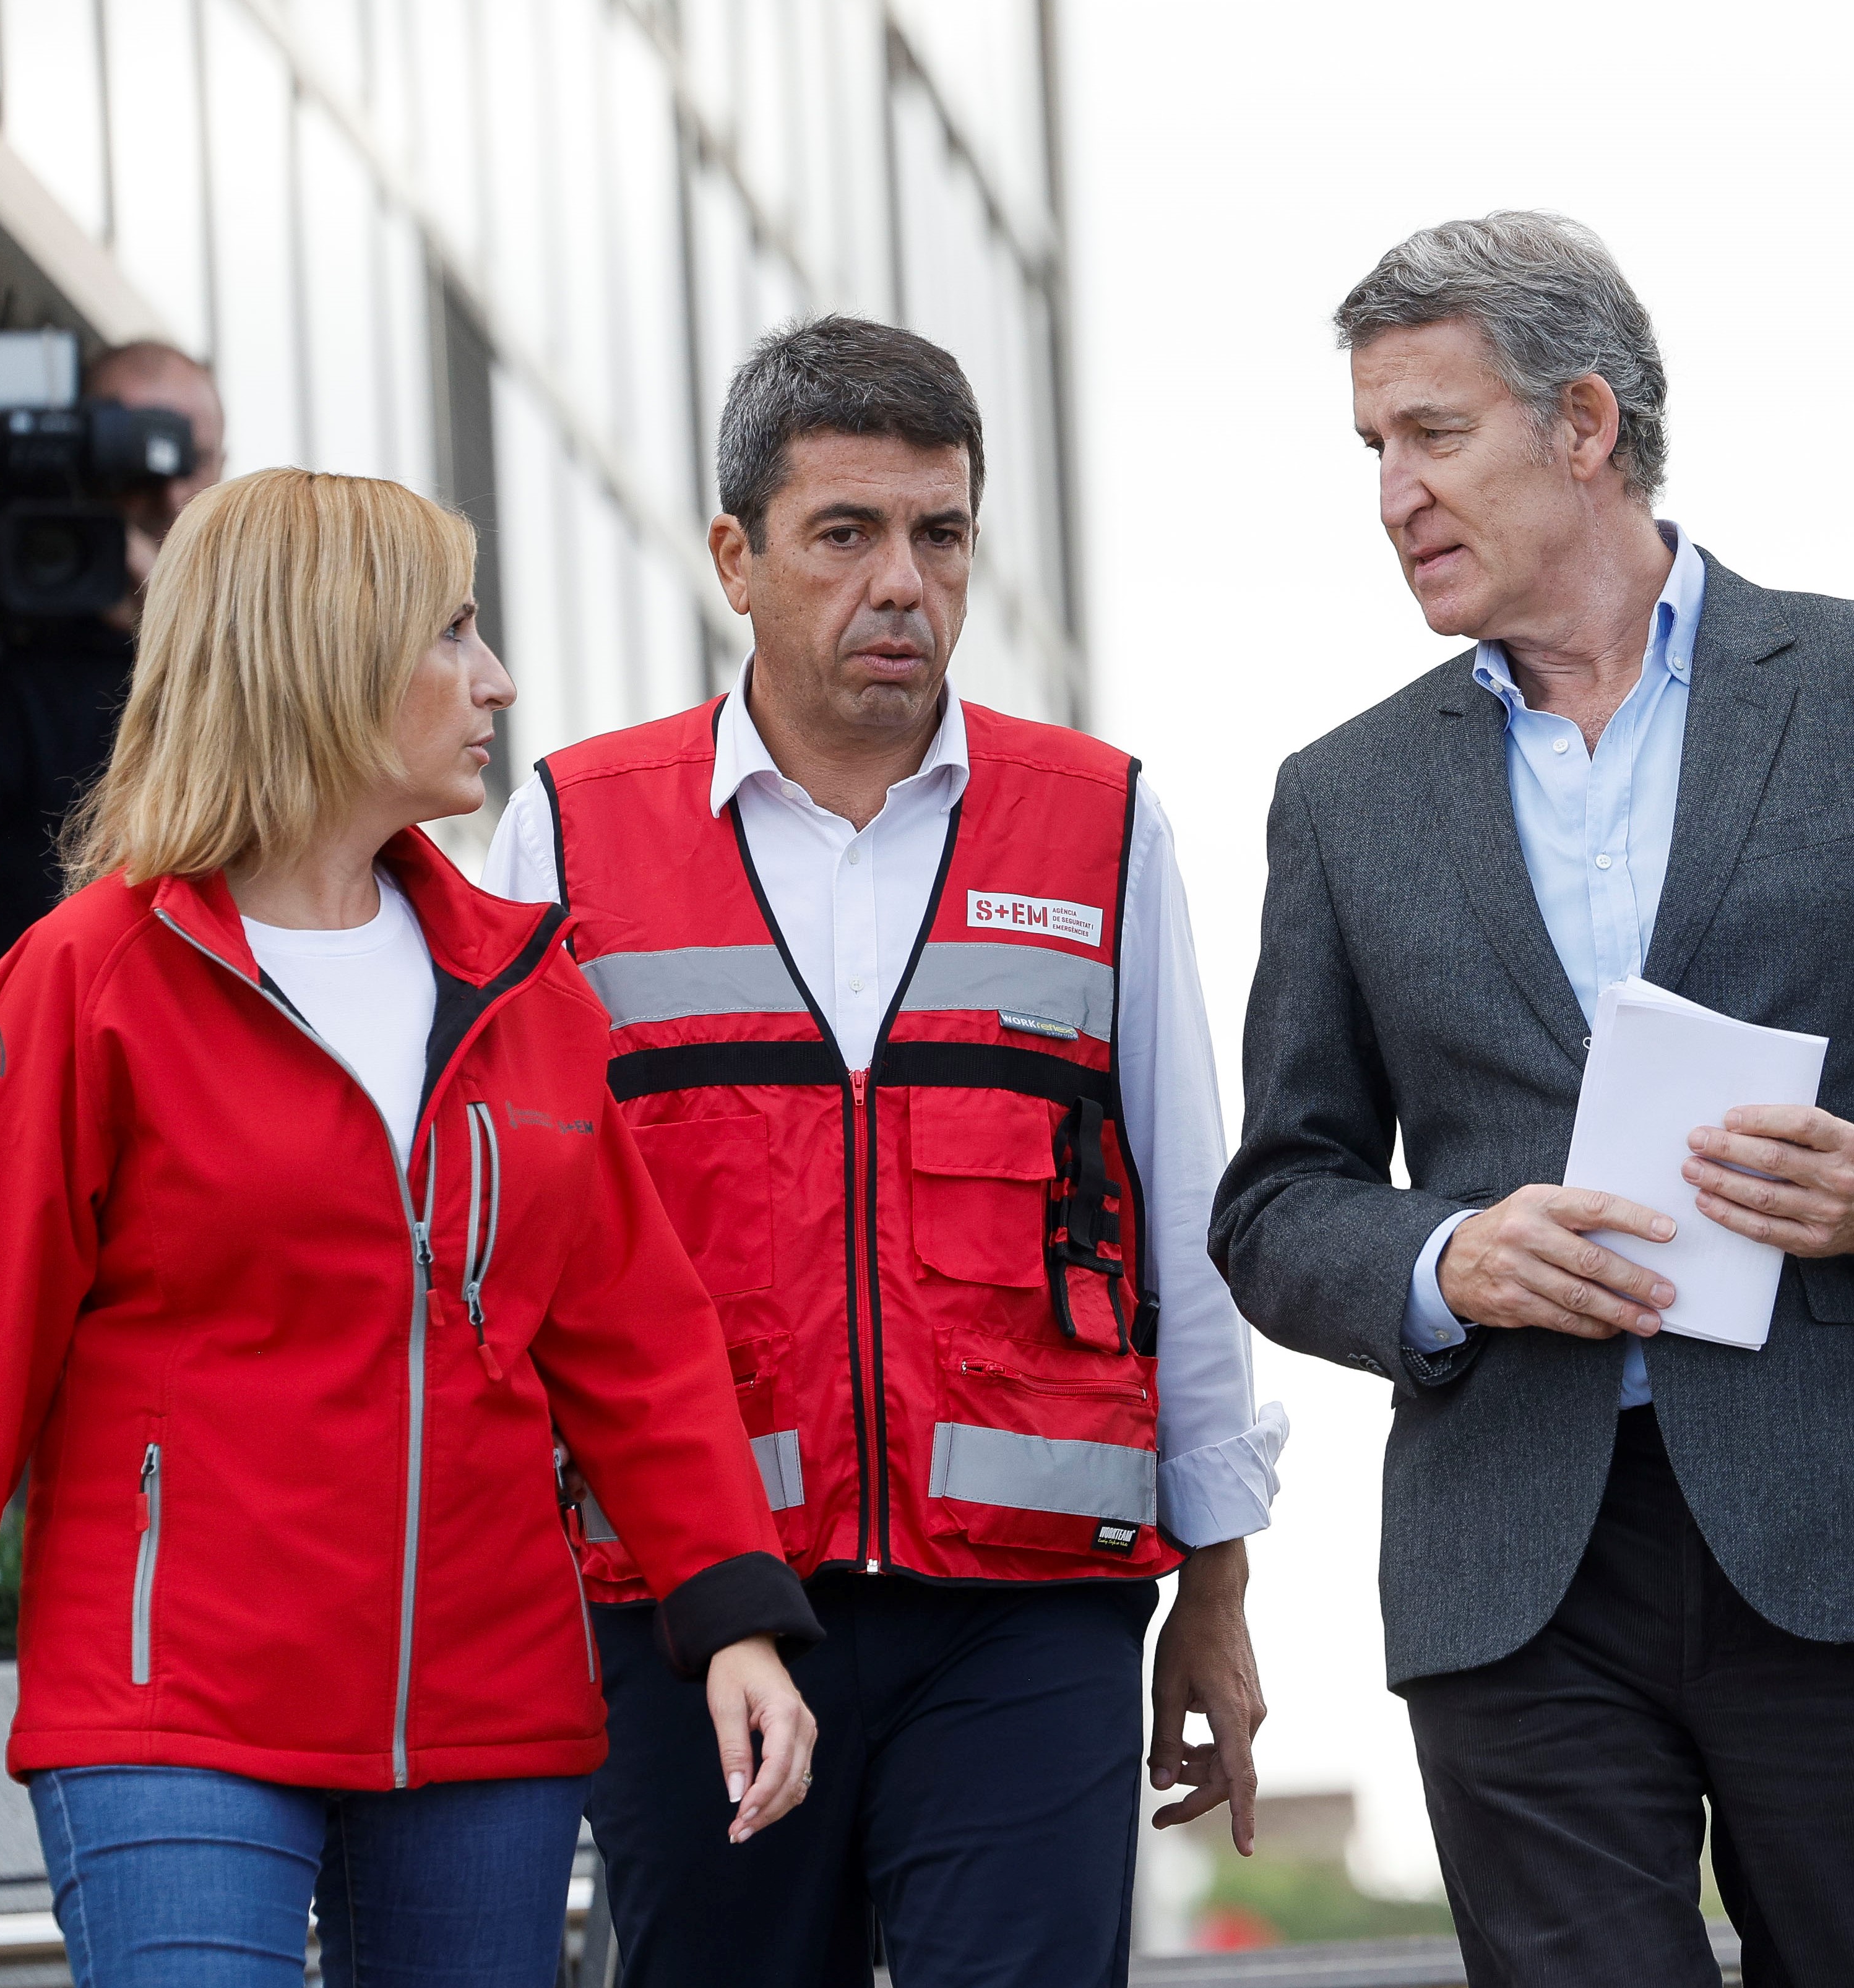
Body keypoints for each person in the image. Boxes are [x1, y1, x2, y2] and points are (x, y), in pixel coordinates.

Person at [1214, 210, 1854, 1987]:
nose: (1393, 491)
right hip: (1518, 1559)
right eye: (1371, 449)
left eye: (1433, 433)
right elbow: (1279, 1199)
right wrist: (1448, 1258)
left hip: (1850, 1525)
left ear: (1582, 424)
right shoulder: (1341, 798)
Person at [0, 465, 821, 1980]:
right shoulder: (90, 980)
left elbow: (640, 1346)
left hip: (489, 1718)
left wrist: (735, 1616)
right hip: (169, 1715)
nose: (499, 680)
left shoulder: (527, 992)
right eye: (451, 635)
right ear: (322, 658)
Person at [483, 316, 1284, 1988]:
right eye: (846, 534)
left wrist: (1215, 1577)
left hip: (1028, 1615)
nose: (902, 582)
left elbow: (1185, 1204)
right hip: (694, 1607)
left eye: (941, 532)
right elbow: (513, 1257)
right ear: (739, 556)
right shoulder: (571, 827)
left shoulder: (1101, 819)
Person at [0, 341, 227, 1290]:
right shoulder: (0, 654)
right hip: (67, 1122)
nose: (169, 497)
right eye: (135, 463)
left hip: (231, 1107)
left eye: (191, 459)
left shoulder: (253, 649)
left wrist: (168, 632)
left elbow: (276, 803)